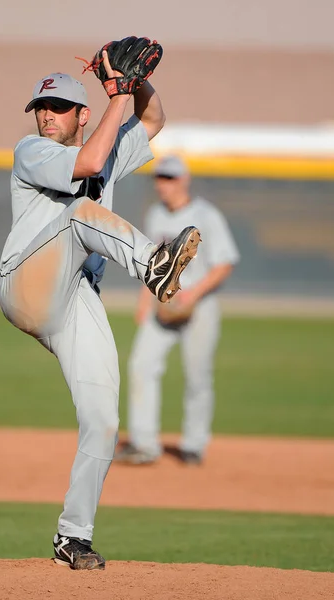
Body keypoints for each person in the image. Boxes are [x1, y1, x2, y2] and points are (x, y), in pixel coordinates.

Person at [0, 53, 201, 570]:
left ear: (81, 115)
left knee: (104, 420)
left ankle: (73, 536)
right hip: (25, 281)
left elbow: (152, 121)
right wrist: (116, 94)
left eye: (60, 107)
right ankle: (152, 265)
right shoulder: (32, 149)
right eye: (42, 106)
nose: (48, 116)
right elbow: (86, 165)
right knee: (83, 212)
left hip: (77, 297)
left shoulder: (107, 141)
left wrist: (138, 83)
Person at [116, 155, 239, 467]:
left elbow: (225, 263)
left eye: (170, 178)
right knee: (141, 365)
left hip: (200, 308)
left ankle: (193, 445)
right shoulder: (156, 214)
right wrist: (144, 302)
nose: (163, 184)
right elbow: (154, 264)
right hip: (163, 305)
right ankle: (144, 443)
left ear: (185, 180)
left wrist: (193, 295)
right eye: (160, 177)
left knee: (197, 377)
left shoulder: (206, 215)